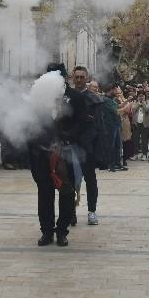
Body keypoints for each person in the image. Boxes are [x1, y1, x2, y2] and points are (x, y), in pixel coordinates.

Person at [29, 63, 89, 248]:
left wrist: (66, 137)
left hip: (66, 152)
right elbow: (30, 124)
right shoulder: (38, 98)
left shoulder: (75, 97)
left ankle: (62, 231)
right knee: (45, 193)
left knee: (66, 193)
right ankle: (46, 231)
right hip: (42, 153)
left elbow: (82, 123)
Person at [71, 67, 101, 226]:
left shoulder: (93, 99)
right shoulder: (67, 96)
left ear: (86, 77)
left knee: (90, 180)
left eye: (82, 77)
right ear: (73, 78)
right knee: (71, 181)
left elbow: (98, 124)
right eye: (77, 77)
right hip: (70, 146)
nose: (80, 79)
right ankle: (71, 211)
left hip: (88, 146)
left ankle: (92, 211)